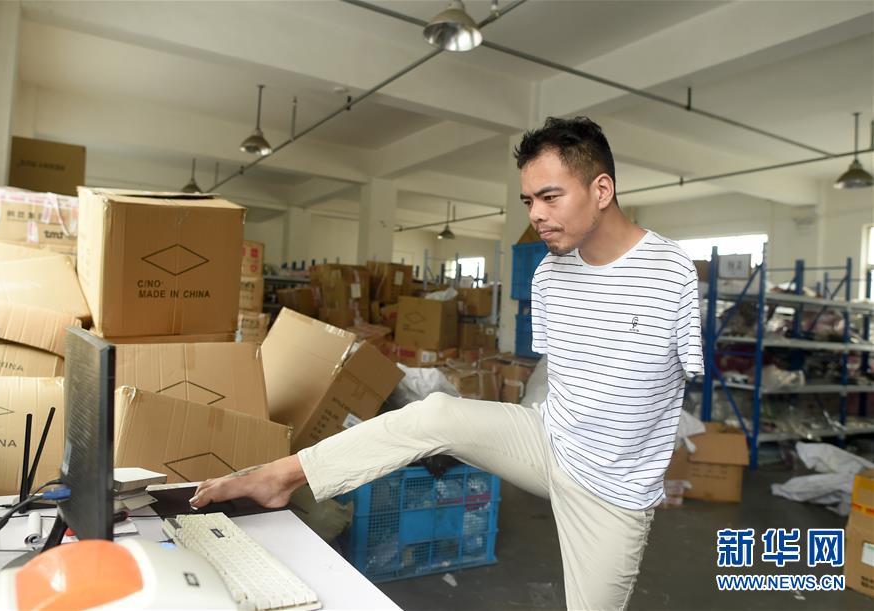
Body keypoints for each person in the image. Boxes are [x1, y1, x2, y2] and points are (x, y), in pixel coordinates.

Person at [191, 116, 703, 610]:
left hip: (613, 489)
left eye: (551, 197)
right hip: (549, 440)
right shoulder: (549, 273)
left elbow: (672, 391)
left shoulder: (671, 272)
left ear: (602, 190)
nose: (536, 215)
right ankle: (282, 476)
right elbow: (560, 373)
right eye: (529, 200)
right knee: (436, 412)